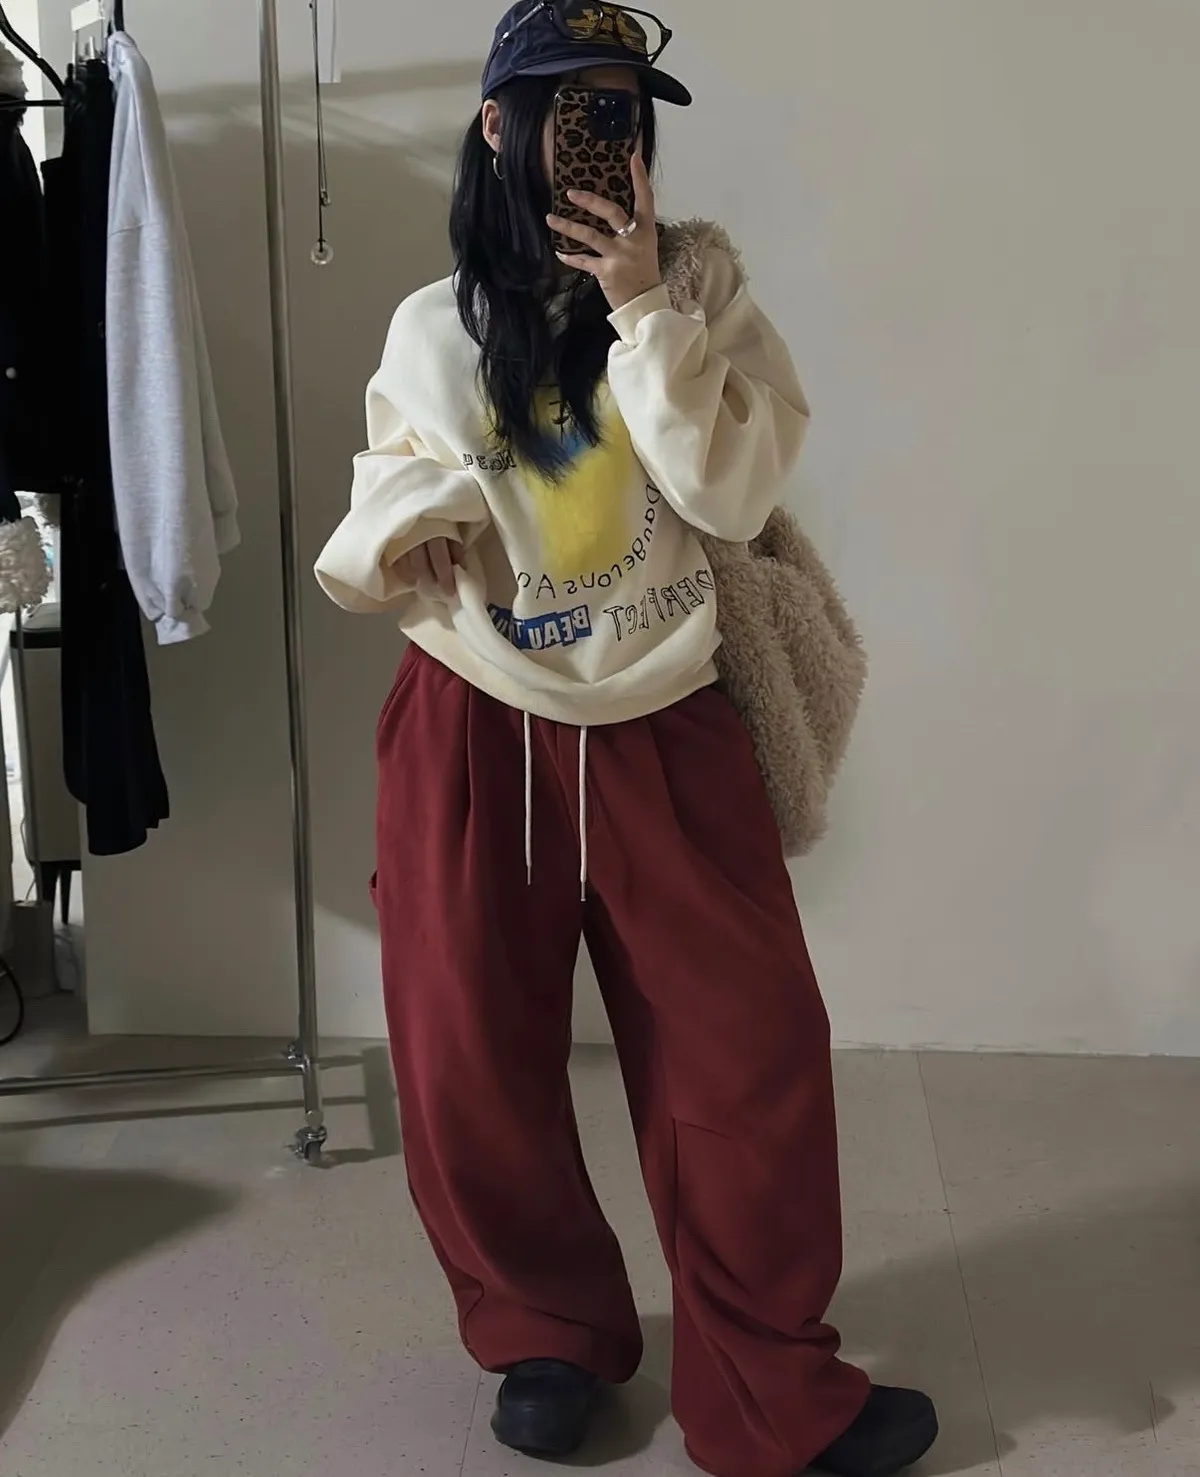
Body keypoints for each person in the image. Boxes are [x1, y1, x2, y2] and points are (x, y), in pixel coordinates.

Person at [316, 5, 938, 1475]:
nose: (603, 137)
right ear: (499, 127)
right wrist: (408, 526)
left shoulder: (705, 302)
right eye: (571, 109)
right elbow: (387, 491)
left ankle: (768, 1386)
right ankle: (544, 1332)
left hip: (668, 719)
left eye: (624, 112)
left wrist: (647, 307)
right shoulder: (432, 325)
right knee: (469, 1057)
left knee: (748, 1063)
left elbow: (727, 495)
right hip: (476, 721)